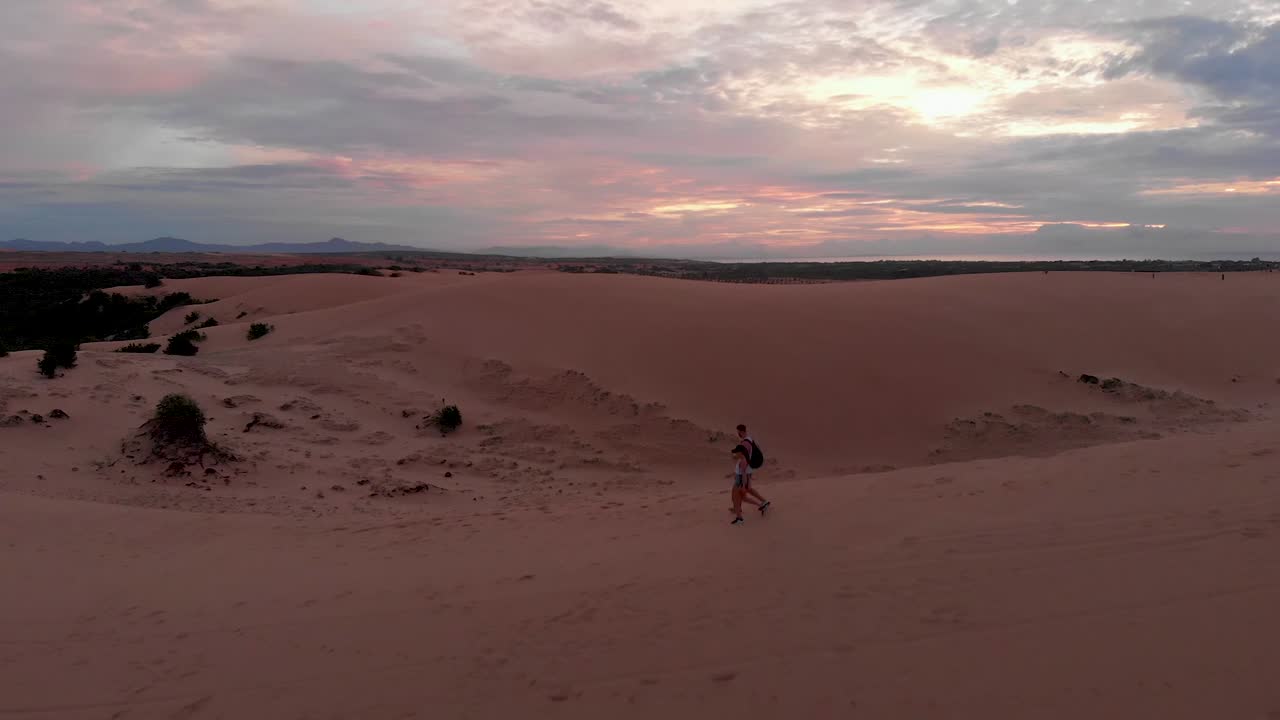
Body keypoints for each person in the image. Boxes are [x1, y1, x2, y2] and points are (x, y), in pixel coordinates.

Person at [736, 424, 770, 514]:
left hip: (745, 470)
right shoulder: (750, 439)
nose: (738, 434)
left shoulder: (745, 443)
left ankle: (761, 504)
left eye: (738, 432)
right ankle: (764, 502)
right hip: (749, 469)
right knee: (748, 489)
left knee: (743, 491)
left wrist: (743, 474)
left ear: (741, 431)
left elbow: (744, 459)